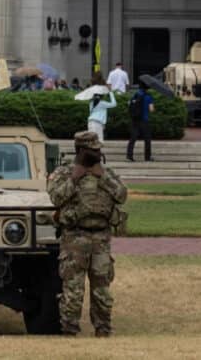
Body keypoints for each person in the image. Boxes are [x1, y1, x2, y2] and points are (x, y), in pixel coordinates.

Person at [47, 130, 128, 337]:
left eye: (98, 150)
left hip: (101, 239)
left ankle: (103, 328)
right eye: (93, 150)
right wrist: (74, 179)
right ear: (81, 150)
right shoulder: (64, 173)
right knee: (73, 288)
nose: (98, 153)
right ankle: (69, 329)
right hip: (75, 238)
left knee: (102, 288)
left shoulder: (107, 173)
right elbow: (55, 198)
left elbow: (122, 196)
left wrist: (103, 178)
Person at [126, 82, 155, 162]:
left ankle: (129, 155)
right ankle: (147, 157)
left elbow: (129, 103)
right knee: (147, 139)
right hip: (144, 120)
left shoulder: (136, 95)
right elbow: (151, 109)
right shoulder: (148, 96)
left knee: (133, 138)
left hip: (135, 119)